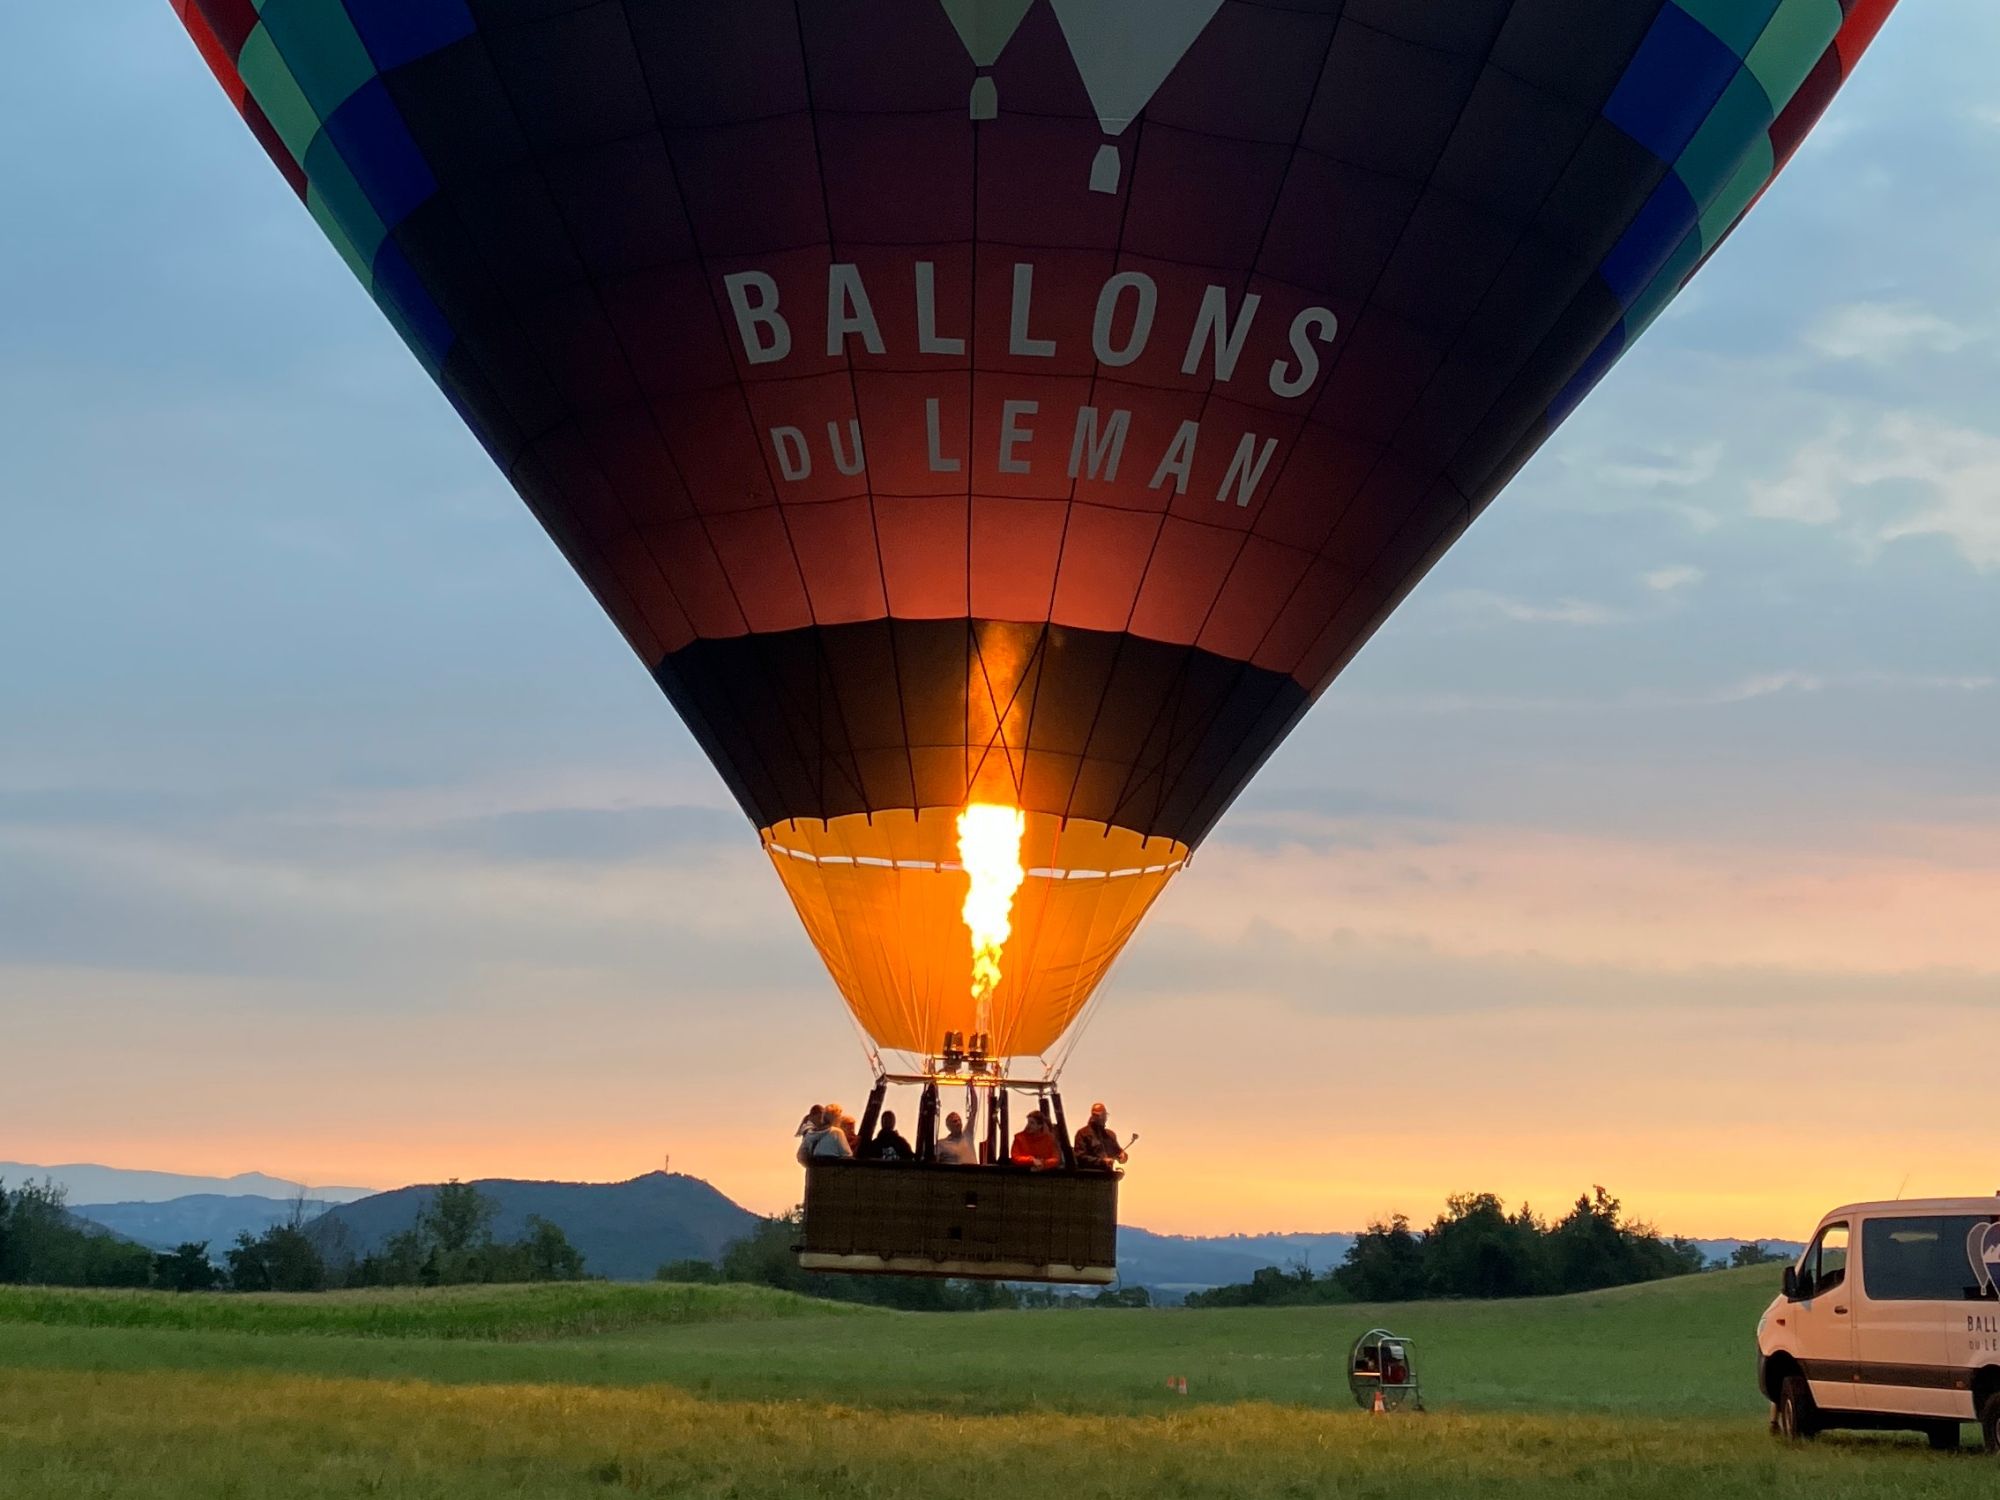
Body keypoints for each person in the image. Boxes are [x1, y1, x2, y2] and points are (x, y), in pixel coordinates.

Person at [1073, 1102, 1128, 1170]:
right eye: (1098, 1115)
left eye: (1104, 1115)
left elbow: (1119, 1153)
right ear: (1093, 1116)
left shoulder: (1110, 1135)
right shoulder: (1082, 1133)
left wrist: (1123, 1156)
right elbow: (1080, 1157)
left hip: (1108, 1177)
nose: (1102, 1118)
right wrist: (1101, 1162)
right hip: (1090, 1177)